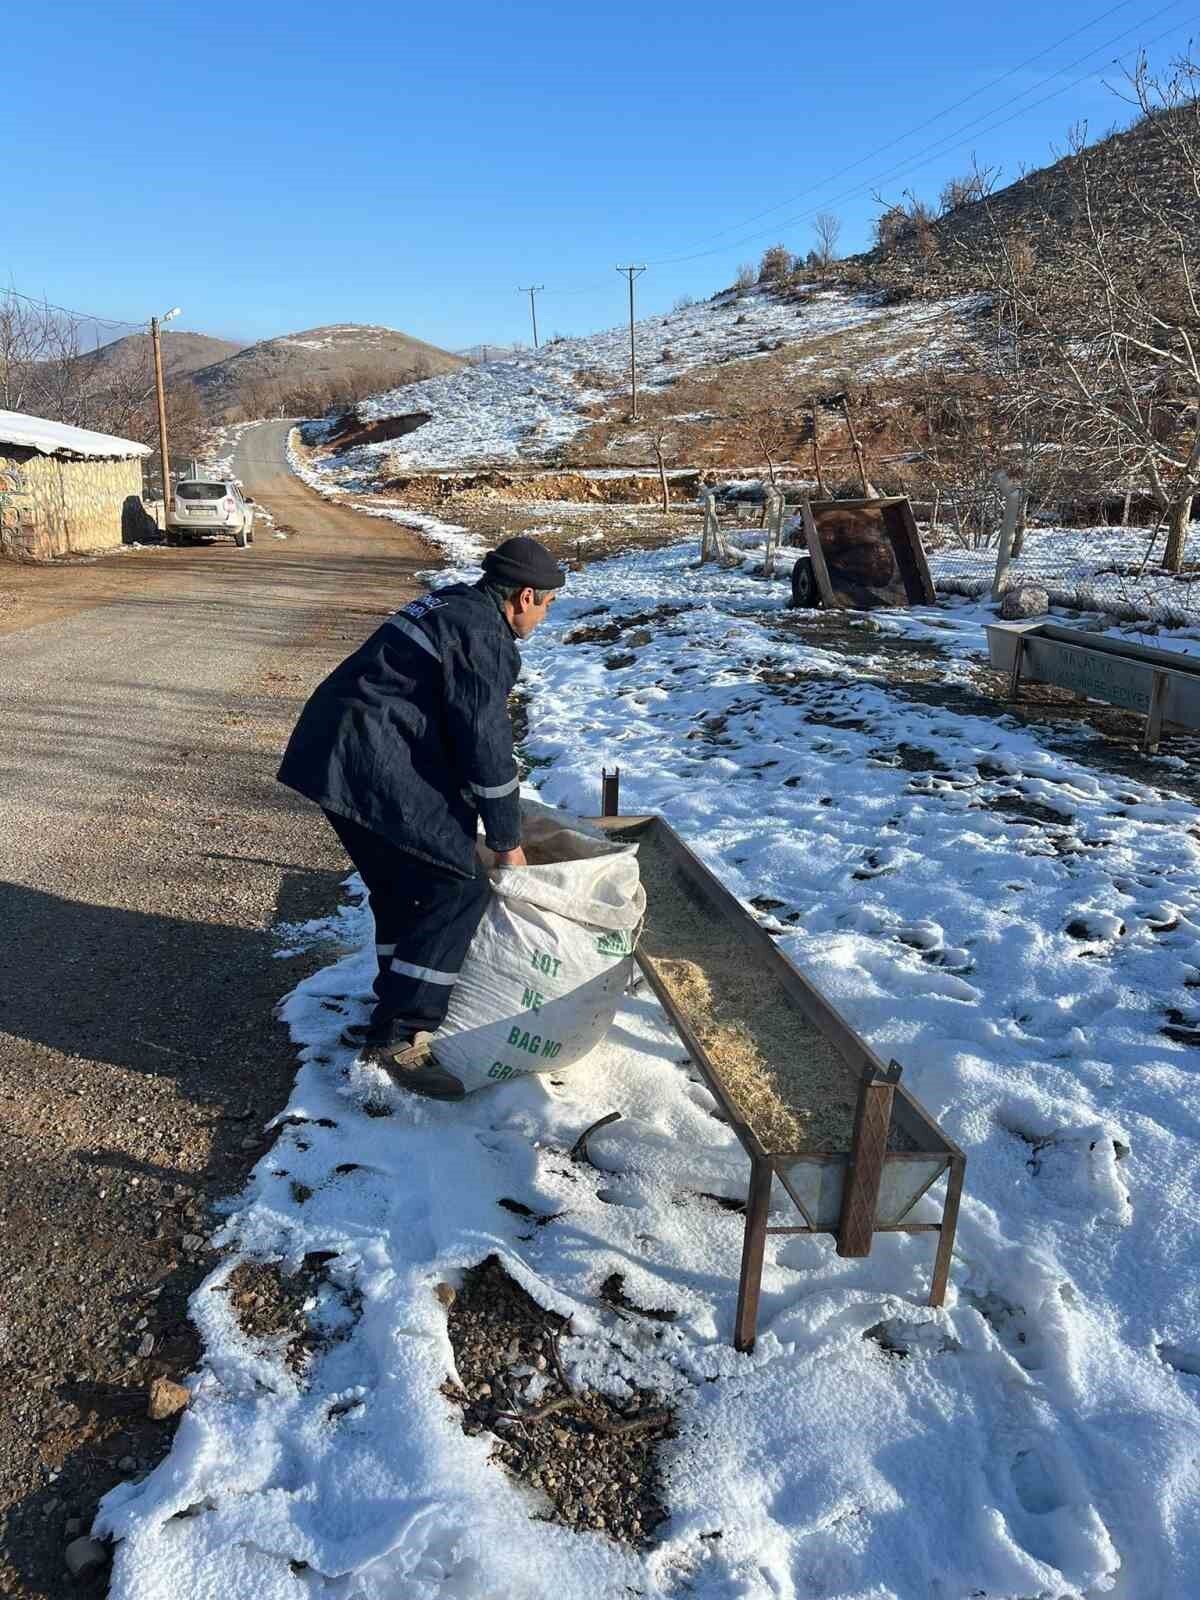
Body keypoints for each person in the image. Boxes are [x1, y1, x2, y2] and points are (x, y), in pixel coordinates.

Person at [278, 536, 565, 1097]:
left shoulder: (453, 604)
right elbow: (484, 742)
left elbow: (444, 718)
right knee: (457, 885)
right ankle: (401, 1037)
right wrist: (507, 839)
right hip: (366, 761)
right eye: (547, 605)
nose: (544, 616)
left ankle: (391, 1005)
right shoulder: (484, 634)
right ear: (524, 596)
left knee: (399, 887)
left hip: (331, 753)